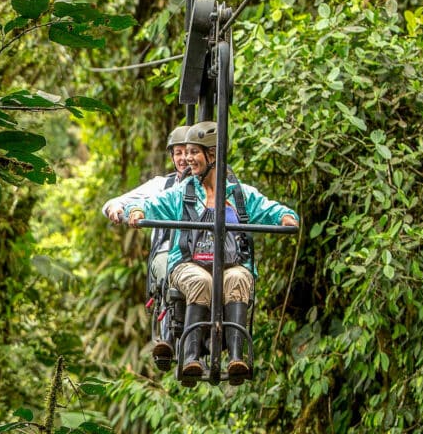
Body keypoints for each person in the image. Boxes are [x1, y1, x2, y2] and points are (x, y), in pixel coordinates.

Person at [126, 121, 299, 384]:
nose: (189, 159)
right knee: (201, 281)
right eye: (187, 152)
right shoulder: (184, 192)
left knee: (239, 279)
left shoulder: (238, 193)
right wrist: (138, 212)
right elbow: (154, 205)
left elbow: (268, 208)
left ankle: (237, 357)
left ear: (212, 155)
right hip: (189, 263)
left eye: (195, 152)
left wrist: (286, 216)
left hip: (231, 262)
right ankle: (190, 355)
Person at [101, 125, 190, 367]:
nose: (184, 159)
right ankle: (169, 337)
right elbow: (120, 201)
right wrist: (118, 208)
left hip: (203, 250)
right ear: (172, 156)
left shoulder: (212, 186)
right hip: (169, 251)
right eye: (178, 153)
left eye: (188, 152)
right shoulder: (163, 186)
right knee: (169, 271)